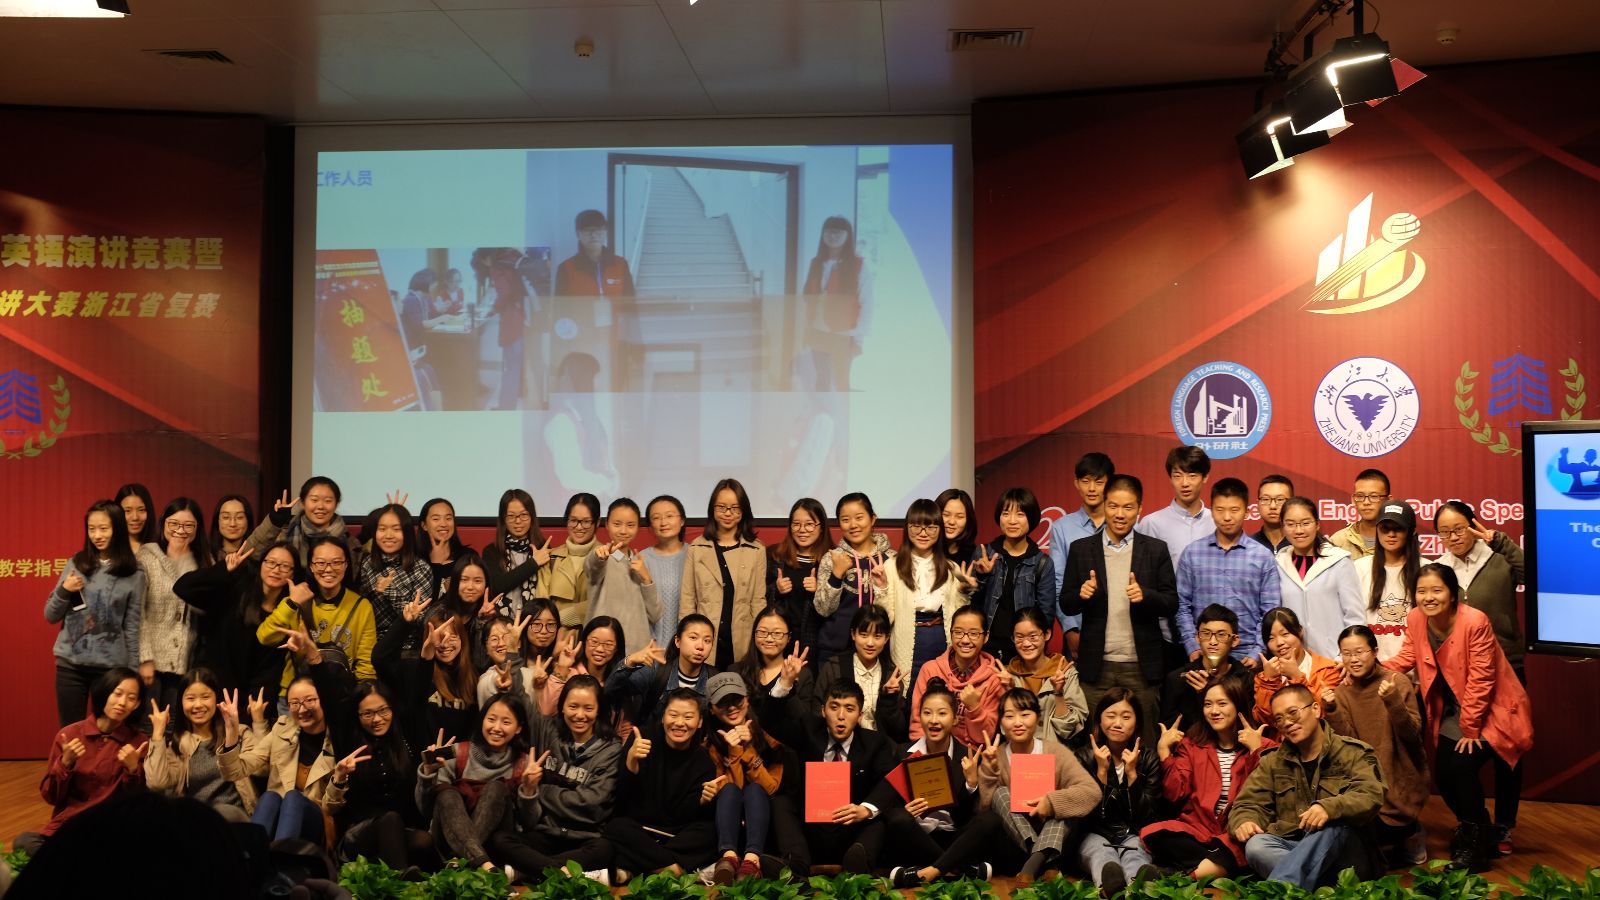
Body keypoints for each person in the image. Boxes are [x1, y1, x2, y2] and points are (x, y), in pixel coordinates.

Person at [1383, 564, 1533, 873]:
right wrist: (1370, 669)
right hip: (1453, 707)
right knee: (1444, 776)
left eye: (1436, 590)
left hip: (1493, 709)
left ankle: (1474, 849)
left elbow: (1482, 678)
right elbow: (1407, 656)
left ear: (1453, 594)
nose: (1428, 597)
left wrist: (1471, 728)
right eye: (1422, 591)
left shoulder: (1475, 621)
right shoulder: (1416, 618)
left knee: (1461, 768)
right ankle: (1479, 829)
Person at [1432, 500, 1528, 855]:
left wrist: (1499, 541)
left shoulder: (1498, 558)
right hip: (1460, 675)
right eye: (1445, 532)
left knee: (1507, 751)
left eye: (1459, 528)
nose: (1453, 537)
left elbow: (1536, 575)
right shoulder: (1439, 569)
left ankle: (1504, 825)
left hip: (1507, 669)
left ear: (1473, 525)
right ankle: (1475, 824)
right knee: (1455, 759)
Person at [1228, 684, 1386, 890]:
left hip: (1345, 855)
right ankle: (1324, 888)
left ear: (1316, 709)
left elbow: (1371, 794)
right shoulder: (1273, 761)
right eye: (1279, 719)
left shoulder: (1353, 752)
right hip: (1295, 846)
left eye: (1293, 712)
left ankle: (1282, 890)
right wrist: (1245, 821)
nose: (1287, 723)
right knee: (1257, 846)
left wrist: (1329, 808)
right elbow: (1248, 803)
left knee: (1333, 824)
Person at [1060, 474, 1177, 745]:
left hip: (1141, 665)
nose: (1120, 514)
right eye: (1113, 506)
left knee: (1145, 742)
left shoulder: (1155, 550)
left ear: (1139, 508)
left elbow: (1171, 603)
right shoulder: (1081, 549)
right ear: (1104, 505)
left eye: (1128, 507)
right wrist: (1081, 594)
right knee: (1091, 742)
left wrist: (1146, 596)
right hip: (1096, 666)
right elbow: (1066, 602)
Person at [760, 678, 903, 875]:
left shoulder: (874, 743)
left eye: (849, 709)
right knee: (781, 802)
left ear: (860, 715)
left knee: (878, 814)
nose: (841, 716)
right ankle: (795, 868)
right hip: (811, 830)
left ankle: (858, 867)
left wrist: (865, 810)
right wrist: (784, 683)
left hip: (852, 831)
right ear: (823, 711)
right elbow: (770, 722)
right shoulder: (808, 730)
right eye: (834, 707)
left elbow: (890, 780)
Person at [492, 675, 621, 882]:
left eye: (588, 708)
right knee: (500, 839)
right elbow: (524, 705)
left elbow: (592, 802)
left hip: (585, 838)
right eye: (573, 707)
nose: (580, 715)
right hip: (546, 833)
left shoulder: (611, 748)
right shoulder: (548, 731)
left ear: (598, 710)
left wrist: (543, 791)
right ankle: (567, 873)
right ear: (562, 708)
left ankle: (528, 871)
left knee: (605, 848)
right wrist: (529, 790)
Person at [1141, 678, 1272, 879]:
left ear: (1238, 706)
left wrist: (1256, 751)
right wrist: (1164, 752)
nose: (1214, 711)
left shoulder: (1265, 745)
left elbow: (1265, 792)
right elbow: (1175, 794)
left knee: (1244, 845)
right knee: (1156, 834)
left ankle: (1181, 875)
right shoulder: (1192, 744)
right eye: (1208, 704)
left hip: (1237, 831)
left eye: (1222, 703)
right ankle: (1219, 868)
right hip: (1199, 830)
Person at [11, 667, 148, 857]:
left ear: (137, 704)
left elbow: (136, 804)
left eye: (131, 698)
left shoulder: (139, 742)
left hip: (110, 831)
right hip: (69, 827)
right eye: (117, 694)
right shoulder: (70, 734)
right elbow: (51, 797)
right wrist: (65, 763)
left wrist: (133, 769)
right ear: (104, 693)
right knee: (24, 842)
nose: (122, 702)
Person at [1324, 625, 1428, 866]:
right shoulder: (1342, 692)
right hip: (1366, 784)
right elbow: (1349, 745)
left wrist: (1392, 701)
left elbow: (1412, 736)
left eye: (1359, 652)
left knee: (1359, 840)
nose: (1353, 659)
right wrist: (1332, 710)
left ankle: (1411, 831)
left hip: (1400, 781)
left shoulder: (1396, 682)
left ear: (1374, 651)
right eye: (1346, 654)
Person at [883, 677, 999, 888]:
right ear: (919, 717)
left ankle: (925, 873)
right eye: (927, 713)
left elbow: (968, 815)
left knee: (989, 820)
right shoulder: (902, 752)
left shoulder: (968, 755)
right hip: (917, 836)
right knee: (898, 819)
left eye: (942, 713)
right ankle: (960, 869)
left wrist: (971, 784)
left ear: (955, 719)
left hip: (954, 837)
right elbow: (888, 804)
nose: (934, 720)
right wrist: (906, 811)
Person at [976, 688, 1101, 880]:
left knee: (1064, 806)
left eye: (1025, 714)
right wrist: (989, 770)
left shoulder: (1056, 751)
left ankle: (1034, 863)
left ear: (1038, 718)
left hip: (1056, 838)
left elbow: (1092, 792)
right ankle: (1043, 862)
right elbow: (984, 808)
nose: (1018, 722)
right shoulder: (996, 756)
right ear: (1001, 723)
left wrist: (1051, 803)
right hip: (1015, 845)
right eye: (1009, 716)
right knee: (1000, 793)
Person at [46, 500, 144, 728]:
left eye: (103, 528)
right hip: (71, 665)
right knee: (71, 732)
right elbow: (50, 615)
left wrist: (132, 673)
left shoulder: (134, 572)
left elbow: (132, 626)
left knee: (108, 732)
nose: (97, 535)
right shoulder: (77, 563)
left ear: (117, 529)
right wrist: (64, 590)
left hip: (110, 668)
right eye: (92, 529)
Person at [605, 689, 720, 879]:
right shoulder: (642, 739)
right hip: (639, 828)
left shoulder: (704, 761)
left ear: (700, 722)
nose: (679, 723)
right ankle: (673, 870)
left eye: (688, 717)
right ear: (663, 716)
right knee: (616, 827)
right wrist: (631, 762)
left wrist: (702, 801)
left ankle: (637, 865)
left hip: (674, 834)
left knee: (712, 832)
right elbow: (622, 799)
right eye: (673, 715)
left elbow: (683, 816)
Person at [175, 540, 295, 715]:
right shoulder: (236, 589)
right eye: (271, 562)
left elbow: (268, 673)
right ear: (261, 564)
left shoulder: (287, 614)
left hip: (245, 704)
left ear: (293, 573)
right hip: (209, 690)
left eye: (284, 566)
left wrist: (248, 712)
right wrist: (224, 569)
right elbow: (182, 588)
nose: (276, 570)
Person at [414, 694, 530, 874]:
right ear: (482, 720)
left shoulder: (525, 764)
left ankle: (461, 861)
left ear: (518, 728)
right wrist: (428, 773)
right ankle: (478, 862)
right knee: (446, 794)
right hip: (448, 842)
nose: (497, 727)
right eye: (491, 719)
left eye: (506, 722)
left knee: (496, 788)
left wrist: (529, 791)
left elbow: (529, 822)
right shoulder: (457, 752)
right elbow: (425, 809)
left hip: (492, 847)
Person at [257, 536, 379, 701]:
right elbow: (264, 637)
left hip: (340, 695)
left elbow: (366, 665)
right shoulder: (296, 600)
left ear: (346, 565)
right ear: (311, 566)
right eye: (320, 563)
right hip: (296, 695)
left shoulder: (361, 606)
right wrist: (292, 603)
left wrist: (361, 697)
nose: (328, 569)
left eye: (336, 562)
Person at [1176, 478, 1281, 664]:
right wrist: (1192, 645)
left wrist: (1257, 652)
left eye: (1234, 510)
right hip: (1203, 653)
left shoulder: (1262, 556)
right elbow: (1181, 605)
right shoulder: (1192, 553)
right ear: (1211, 510)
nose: (1226, 517)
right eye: (1219, 510)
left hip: (1247, 654)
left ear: (1247, 512)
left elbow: (1269, 611)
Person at [1071, 688, 1162, 895]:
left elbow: (1149, 816)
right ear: (1099, 720)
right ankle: (1110, 887)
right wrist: (1101, 773)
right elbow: (1083, 816)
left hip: (1134, 832)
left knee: (1136, 854)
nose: (1117, 723)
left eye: (1126, 717)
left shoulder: (1149, 759)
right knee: (1101, 854)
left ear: (1137, 723)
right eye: (1110, 716)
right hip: (1093, 833)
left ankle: (1140, 888)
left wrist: (1132, 776)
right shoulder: (1083, 757)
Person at [878, 498, 976, 687]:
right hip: (907, 638)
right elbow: (885, 619)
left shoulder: (951, 568)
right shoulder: (891, 566)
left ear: (939, 530)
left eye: (931, 527)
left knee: (941, 694)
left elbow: (958, 617)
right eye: (916, 526)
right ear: (907, 528)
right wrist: (882, 588)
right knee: (907, 690)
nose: (923, 533)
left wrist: (964, 592)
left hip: (941, 639)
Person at [144, 667, 262, 824]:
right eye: (191, 698)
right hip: (196, 822)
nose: (198, 705)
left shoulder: (240, 733)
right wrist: (158, 735)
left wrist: (256, 723)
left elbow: (263, 768)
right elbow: (157, 783)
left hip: (234, 819)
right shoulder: (179, 744)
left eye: (205, 697)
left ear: (216, 698)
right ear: (181, 702)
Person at [703, 672, 788, 883]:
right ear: (712, 709)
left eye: (737, 700)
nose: (732, 707)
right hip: (725, 826)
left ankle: (752, 861)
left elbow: (771, 788)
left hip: (763, 825)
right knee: (730, 790)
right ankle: (728, 859)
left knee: (755, 790)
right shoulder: (708, 745)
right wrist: (734, 752)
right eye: (723, 702)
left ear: (747, 700)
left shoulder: (770, 735)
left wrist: (748, 750)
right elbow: (731, 791)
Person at [376, 592, 479, 755]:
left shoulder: (472, 677)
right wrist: (405, 622)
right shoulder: (414, 669)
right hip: (418, 762)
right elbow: (379, 659)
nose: (445, 644)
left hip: (457, 764)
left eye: (453, 637)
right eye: (439, 637)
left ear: (462, 640)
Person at [240, 673, 337, 844]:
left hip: (317, 820)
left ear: (323, 699)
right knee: (270, 797)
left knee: (292, 797)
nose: (302, 709)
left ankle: (282, 858)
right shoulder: (284, 728)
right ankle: (251, 855)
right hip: (282, 818)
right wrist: (232, 731)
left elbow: (335, 804)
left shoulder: (338, 738)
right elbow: (255, 767)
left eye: (309, 700)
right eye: (295, 703)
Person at [680, 478, 767, 667]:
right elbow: (688, 600)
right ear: (712, 509)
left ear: (744, 510)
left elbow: (758, 601)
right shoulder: (697, 548)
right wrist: (688, 639)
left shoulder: (756, 550)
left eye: (735, 508)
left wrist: (759, 641)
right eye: (721, 507)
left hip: (741, 640)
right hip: (704, 641)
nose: (728, 513)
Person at [138, 497, 210, 716]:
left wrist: (184, 561)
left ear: (197, 529)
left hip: (186, 661)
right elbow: (138, 612)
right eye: (174, 524)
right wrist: (145, 658)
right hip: (152, 662)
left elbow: (204, 607)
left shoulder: (204, 560)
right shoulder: (146, 557)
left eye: (189, 525)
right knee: (148, 724)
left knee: (174, 724)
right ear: (163, 524)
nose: (181, 530)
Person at [971, 487, 1055, 663]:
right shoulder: (984, 554)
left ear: (1031, 518)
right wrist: (982, 577)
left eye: (1020, 514)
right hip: (985, 648)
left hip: (1023, 650)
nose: (1012, 520)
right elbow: (971, 604)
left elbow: (1046, 614)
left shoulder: (1042, 563)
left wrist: (1032, 648)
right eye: (1006, 513)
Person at [1274, 497, 1364, 659]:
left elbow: (1355, 616)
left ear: (1317, 524)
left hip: (1334, 660)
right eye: (1291, 524)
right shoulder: (1279, 563)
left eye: (1305, 523)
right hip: (1294, 661)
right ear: (1282, 527)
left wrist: (1346, 657)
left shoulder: (1339, 561)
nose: (1299, 530)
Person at [805, 605, 909, 743]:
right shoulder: (833, 668)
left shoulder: (892, 676)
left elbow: (898, 730)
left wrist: (889, 699)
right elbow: (817, 714)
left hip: (879, 747)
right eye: (864, 635)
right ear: (853, 634)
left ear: (886, 638)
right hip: (840, 745)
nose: (870, 643)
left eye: (877, 636)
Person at [813, 492, 891, 673]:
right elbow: (823, 609)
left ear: (872, 518)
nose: (853, 525)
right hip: (834, 649)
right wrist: (836, 574)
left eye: (859, 517)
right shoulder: (832, 558)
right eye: (845, 520)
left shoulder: (890, 559)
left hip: (876, 650)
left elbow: (894, 608)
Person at [909, 606, 1007, 748]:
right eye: (958, 632)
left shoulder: (994, 678)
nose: (965, 640)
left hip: (972, 755)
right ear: (950, 633)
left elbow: (984, 737)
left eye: (974, 634)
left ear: (986, 636)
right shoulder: (930, 670)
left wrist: (974, 708)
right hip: (931, 752)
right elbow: (918, 725)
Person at [1046, 452, 1115, 655]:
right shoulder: (1062, 528)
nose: (1092, 488)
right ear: (1076, 483)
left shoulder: (1124, 525)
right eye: (1085, 481)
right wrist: (1070, 629)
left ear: (1110, 484)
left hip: (1120, 631)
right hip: (1079, 630)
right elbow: (1058, 582)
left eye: (1099, 482)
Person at [798, 215, 873, 392]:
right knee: (821, 381)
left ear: (848, 236)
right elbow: (807, 298)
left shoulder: (858, 266)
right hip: (817, 331)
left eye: (838, 233)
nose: (833, 236)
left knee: (841, 383)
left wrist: (858, 338)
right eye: (829, 232)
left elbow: (867, 303)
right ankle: (822, 408)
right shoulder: (816, 263)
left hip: (844, 333)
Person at [1160, 604, 1255, 731]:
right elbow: (1169, 730)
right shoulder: (1178, 679)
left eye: (1221, 635)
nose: (1213, 642)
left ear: (1235, 640)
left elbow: (1246, 725)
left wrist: (1207, 693)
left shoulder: (1245, 678)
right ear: (1197, 638)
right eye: (1206, 634)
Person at [587, 498, 663, 657]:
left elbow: (655, 615)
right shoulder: (602, 555)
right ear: (606, 525)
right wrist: (599, 557)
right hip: (603, 650)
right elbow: (592, 567)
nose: (623, 531)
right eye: (617, 524)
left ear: (638, 527)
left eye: (630, 525)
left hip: (638, 650)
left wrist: (647, 579)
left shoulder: (640, 562)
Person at [607, 614, 717, 721]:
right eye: (693, 637)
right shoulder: (656, 671)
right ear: (678, 641)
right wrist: (629, 661)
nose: (700, 646)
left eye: (707, 641)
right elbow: (610, 691)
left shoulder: (715, 678)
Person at [1003, 607, 1088, 744]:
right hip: (1019, 753)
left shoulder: (1065, 672)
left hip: (1055, 752)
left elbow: (1069, 729)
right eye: (1019, 637)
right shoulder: (1007, 676)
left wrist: (1058, 693)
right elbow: (1004, 729)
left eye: (1033, 636)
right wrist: (1010, 691)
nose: (1026, 643)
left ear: (1047, 634)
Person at [1252, 607, 1343, 732]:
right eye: (1271, 638)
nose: (1279, 642)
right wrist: (1269, 682)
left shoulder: (1328, 669)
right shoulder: (1265, 677)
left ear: (1300, 632)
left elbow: (1321, 715)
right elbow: (1265, 721)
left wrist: (1297, 677)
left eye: (1285, 634)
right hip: (1283, 741)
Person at [356, 502, 434, 644]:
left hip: (407, 645)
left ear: (407, 533)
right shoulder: (368, 563)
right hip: (371, 641)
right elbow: (361, 608)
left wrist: (390, 591)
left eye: (396, 529)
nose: (388, 535)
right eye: (382, 529)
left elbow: (421, 619)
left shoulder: (421, 568)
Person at [1355, 501, 1422, 661]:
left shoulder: (1426, 570)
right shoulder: (1359, 568)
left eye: (1398, 528)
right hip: (1369, 667)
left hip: (1414, 667)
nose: (1391, 534)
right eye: (1385, 528)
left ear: (1411, 531)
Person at [243, 476, 357, 569]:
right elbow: (250, 555)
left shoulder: (349, 543)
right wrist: (274, 522)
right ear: (302, 503)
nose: (321, 506)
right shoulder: (285, 533)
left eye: (328, 501)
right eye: (314, 500)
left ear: (336, 504)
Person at [1135, 446, 1214, 574]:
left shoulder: (1216, 522)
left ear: (1205, 477)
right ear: (1170, 478)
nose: (1185, 483)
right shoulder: (1152, 524)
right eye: (1177, 476)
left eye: (1192, 476)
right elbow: (1143, 571)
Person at [768, 497, 831, 654]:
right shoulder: (775, 555)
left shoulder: (832, 560)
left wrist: (819, 591)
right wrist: (777, 590)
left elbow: (836, 610)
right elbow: (759, 597)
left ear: (821, 527)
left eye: (809, 524)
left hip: (816, 644)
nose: (802, 530)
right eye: (796, 524)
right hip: (778, 640)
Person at [481, 489, 552, 623]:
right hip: (500, 625)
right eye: (511, 516)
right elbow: (497, 586)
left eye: (524, 515)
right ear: (503, 519)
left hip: (535, 625)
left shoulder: (543, 549)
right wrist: (533, 564)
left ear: (532, 517)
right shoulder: (492, 551)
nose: (518, 521)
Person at [540, 493, 602, 629]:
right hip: (554, 636)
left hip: (594, 636)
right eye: (573, 520)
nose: (579, 527)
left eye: (586, 521)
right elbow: (540, 604)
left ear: (597, 522)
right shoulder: (551, 557)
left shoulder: (606, 557)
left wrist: (562, 618)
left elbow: (605, 602)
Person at [735, 607, 813, 706]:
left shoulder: (802, 675)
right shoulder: (737, 671)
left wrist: (786, 684)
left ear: (789, 637)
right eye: (762, 632)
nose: (769, 639)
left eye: (777, 633)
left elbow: (802, 715)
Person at [642, 495, 690, 649]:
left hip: (688, 648)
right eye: (656, 518)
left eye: (669, 516)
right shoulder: (641, 560)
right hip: (650, 648)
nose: (663, 523)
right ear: (650, 525)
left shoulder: (695, 555)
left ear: (682, 520)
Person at [555, 209, 636, 299]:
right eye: (587, 230)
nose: (593, 235)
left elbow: (631, 304)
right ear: (578, 234)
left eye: (598, 229)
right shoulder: (566, 268)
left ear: (605, 232)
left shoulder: (621, 265)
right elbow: (560, 306)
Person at [1329, 469, 1391, 560]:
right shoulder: (1338, 541)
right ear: (1353, 500)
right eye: (1360, 496)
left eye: (1374, 496)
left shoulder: (1397, 540)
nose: (1366, 502)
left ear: (1388, 500)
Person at [419, 497, 473, 600]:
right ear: (424, 525)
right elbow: (424, 601)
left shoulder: (468, 557)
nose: (443, 524)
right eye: (436, 519)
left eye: (448, 518)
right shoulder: (415, 559)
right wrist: (435, 564)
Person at [1249, 475, 1294, 556]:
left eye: (1280, 499)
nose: (1273, 506)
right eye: (1266, 499)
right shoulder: (1249, 545)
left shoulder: (1301, 543)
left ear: (1292, 503)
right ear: (1258, 504)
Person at [936, 488, 980, 568]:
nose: (952, 522)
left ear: (968, 520)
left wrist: (984, 574)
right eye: (946, 515)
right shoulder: (925, 549)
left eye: (959, 517)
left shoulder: (974, 556)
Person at [209, 494, 255, 563]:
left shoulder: (257, 555)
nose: (232, 524)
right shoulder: (205, 555)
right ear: (217, 521)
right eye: (226, 517)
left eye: (239, 517)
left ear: (248, 520)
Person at [114, 483, 157, 553]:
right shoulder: (108, 547)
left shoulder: (159, 546)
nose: (135, 517)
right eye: (127, 511)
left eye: (141, 510)